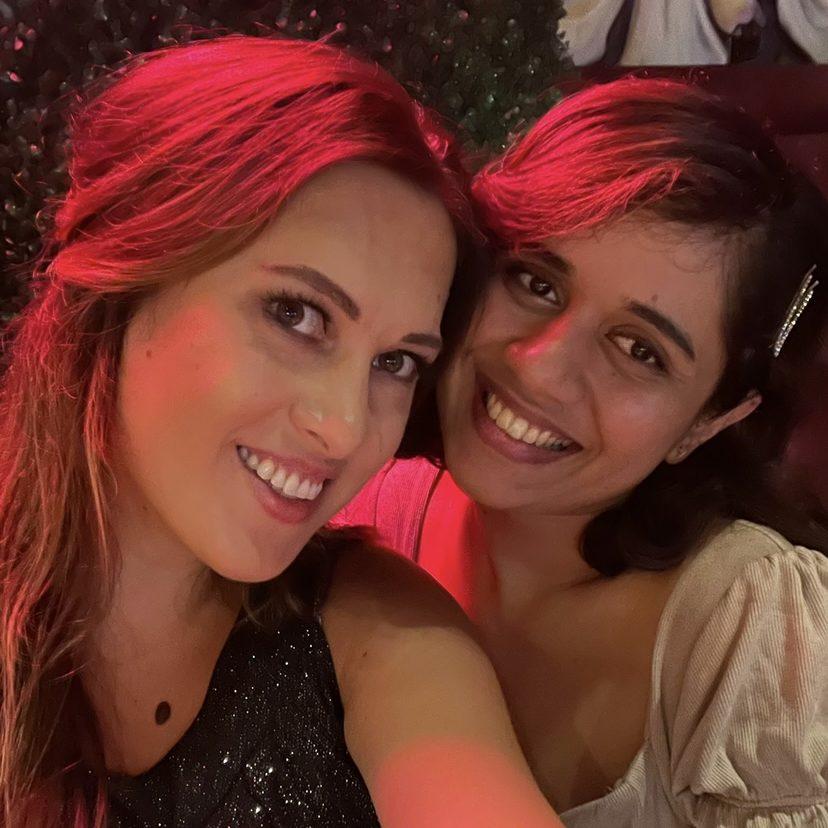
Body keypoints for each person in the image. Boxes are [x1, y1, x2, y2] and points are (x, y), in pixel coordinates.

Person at [0, 35, 564, 827]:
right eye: (295, 314)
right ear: (125, 274)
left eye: (396, 362)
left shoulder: (373, 630)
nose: (344, 430)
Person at [336, 78, 828, 826]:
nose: (539, 367)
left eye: (640, 350)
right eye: (534, 281)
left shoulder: (755, 638)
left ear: (712, 420)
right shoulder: (362, 492)